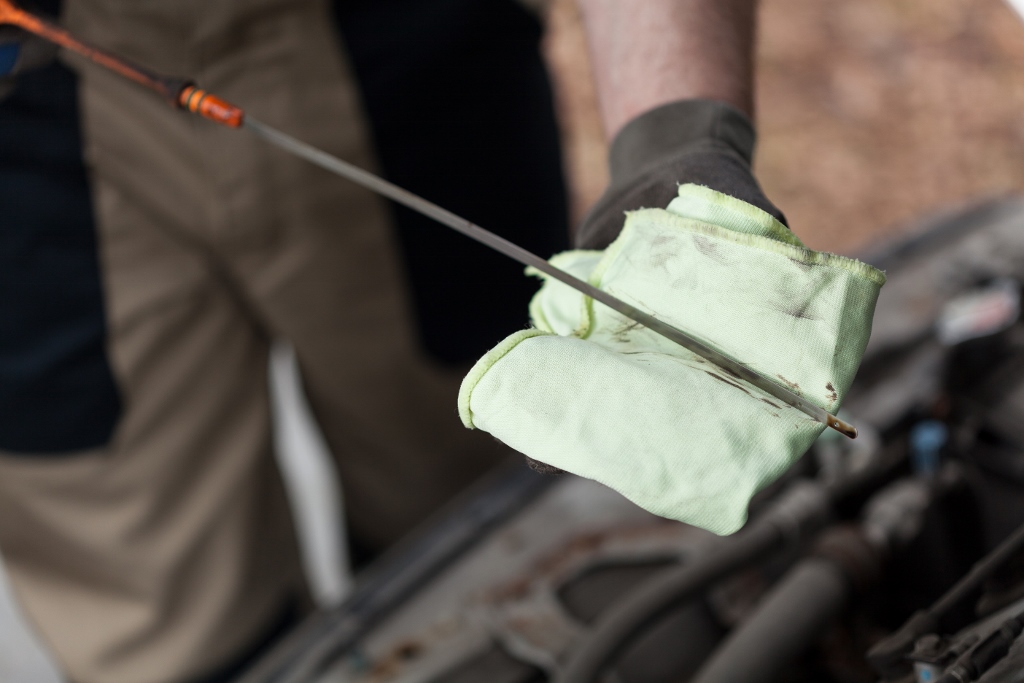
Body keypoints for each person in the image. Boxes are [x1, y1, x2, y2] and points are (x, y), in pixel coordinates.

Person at [0, 1, 781, 681]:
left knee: (482, 515)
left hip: (400, 55)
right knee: (169, 629)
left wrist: (677, 139)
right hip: (27, 130)